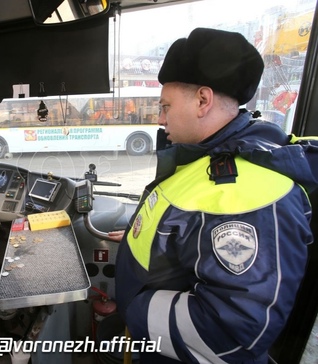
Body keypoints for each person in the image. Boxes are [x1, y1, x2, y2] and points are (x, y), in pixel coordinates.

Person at [113, 28, 318, 363]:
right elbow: (188, 233)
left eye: (166, 106)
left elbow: (228, 332)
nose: (161, 119)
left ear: (203, 100)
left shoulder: (248, 194)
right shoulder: (206, 158)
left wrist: (133, 308)